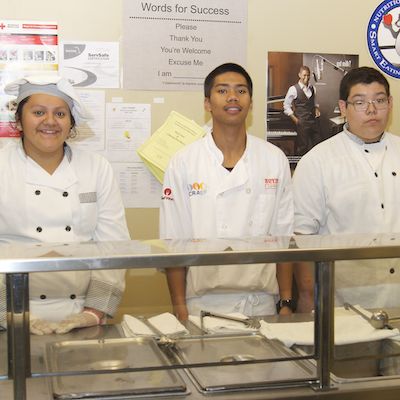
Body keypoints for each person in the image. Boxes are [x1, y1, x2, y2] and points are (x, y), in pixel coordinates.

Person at [159, 63, 294, 320]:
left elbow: (283, 236)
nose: (233, 97)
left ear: (251, 102)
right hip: (201, 305)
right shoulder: (184, 161)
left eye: (241, 91)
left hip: (261, 302)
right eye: (222, 91)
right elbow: (172, 242)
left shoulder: (274, 159)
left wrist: (286, 300)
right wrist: (179, 307)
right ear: (207, 103)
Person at [0, 75, 130, 335]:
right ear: (19, 120)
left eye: (60, 113)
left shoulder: (96, 168)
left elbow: (113, 246)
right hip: (7, 317)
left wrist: (94, 312)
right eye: (38, 112)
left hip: (80, 314)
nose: (49, 121)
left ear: (71, 122)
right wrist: (6, 313)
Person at [293, 66, 400, 309]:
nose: (372, 110)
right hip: (345, 307)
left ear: (390, 103)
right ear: (343, 108)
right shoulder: (318, 161)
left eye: (379, 100)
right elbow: (302, 239)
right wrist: (309, 301)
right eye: (360, 102)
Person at [283, 66, 321, 156]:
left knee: (318, 144)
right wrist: (295, 119)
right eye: (304, 75)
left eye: (308, 76)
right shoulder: (293, 89)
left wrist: (316, 109)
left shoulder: (313, 88)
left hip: (313, 121)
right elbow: (286, 105)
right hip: (302, 122)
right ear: (299, 75)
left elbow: (314, 103)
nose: (306, 78)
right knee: (303, 147)